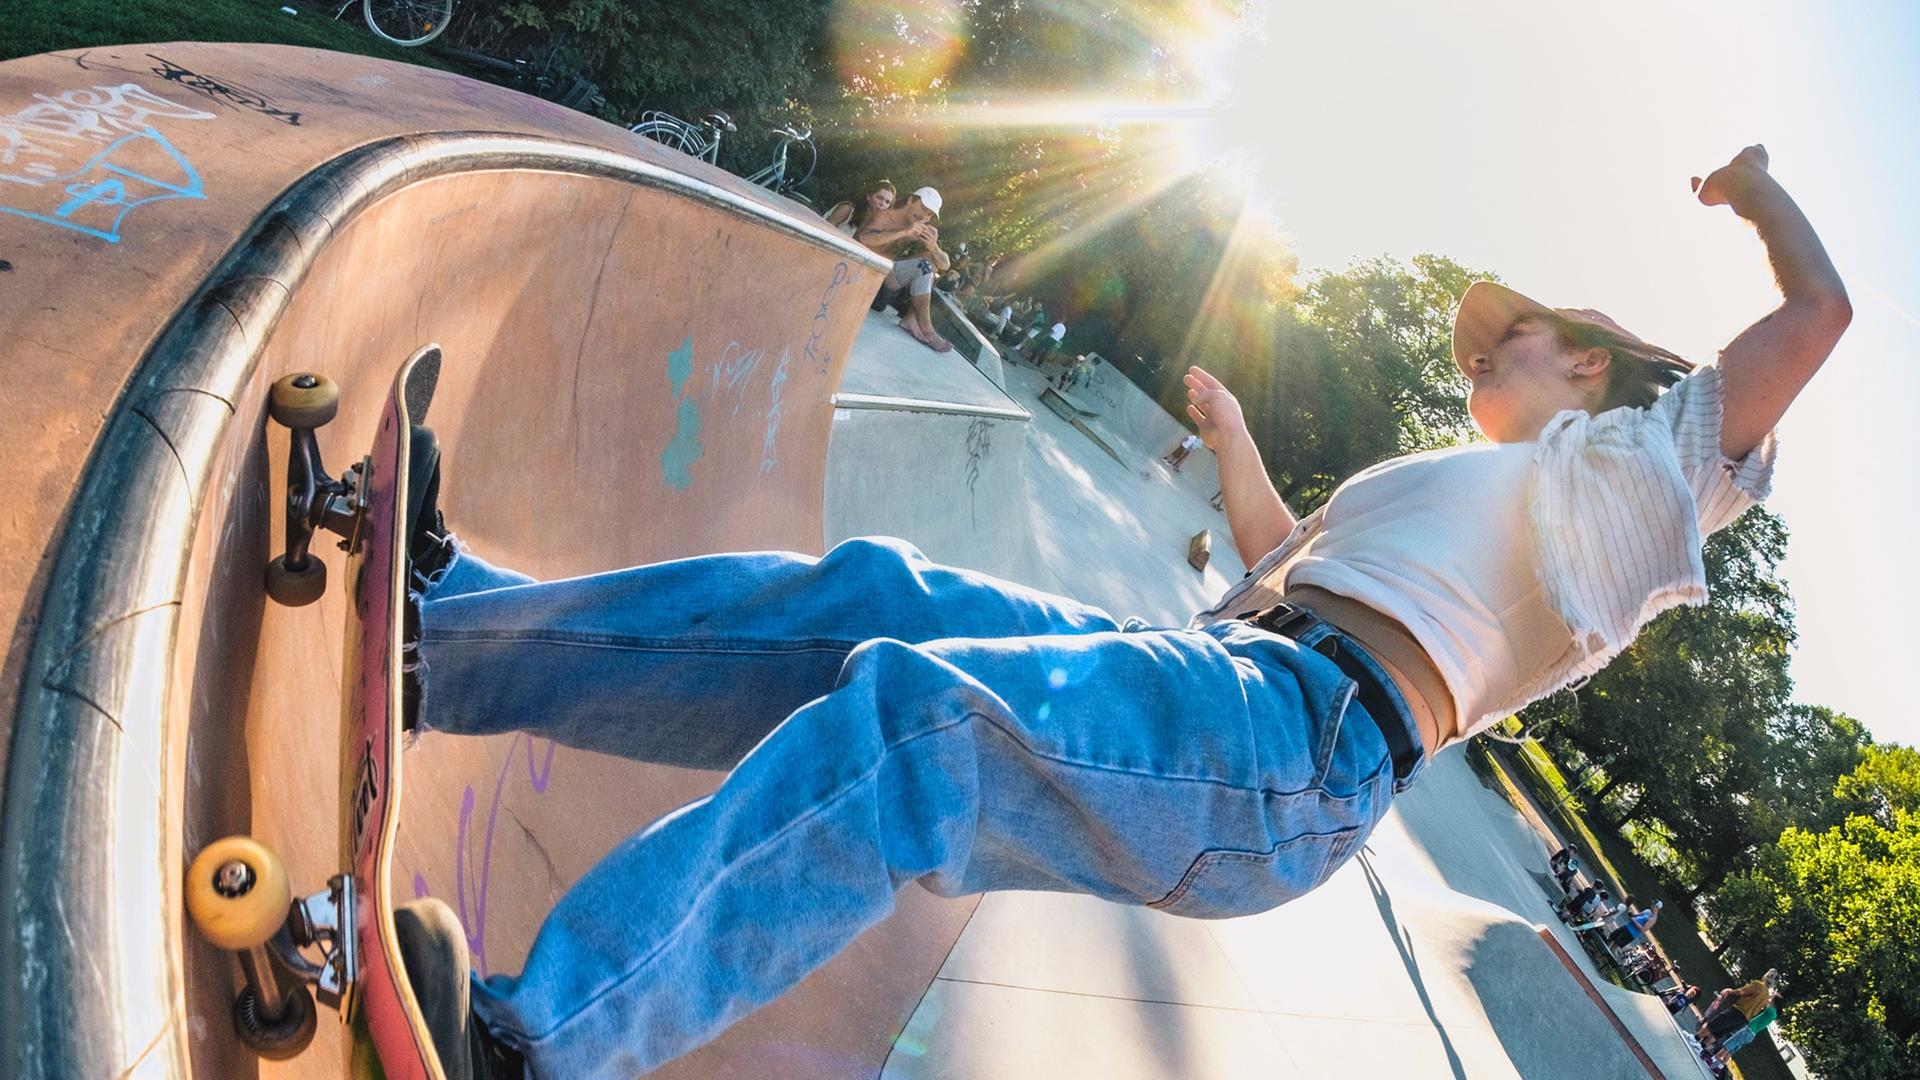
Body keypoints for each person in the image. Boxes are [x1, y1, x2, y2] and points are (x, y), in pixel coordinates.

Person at [394, 145, 1848, 1078]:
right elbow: (1281, 560)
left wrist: (1757, 190)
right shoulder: (1463, 487)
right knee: (875, 598)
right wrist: (1231, 438)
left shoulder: (1628, 485)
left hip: (1295, 746)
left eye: (1510, 340)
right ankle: (447, 640)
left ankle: (542, 1042)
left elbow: (1815, 318)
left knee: (922, 729)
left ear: (1587, 366)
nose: (1481, 357)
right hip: (1237, 666)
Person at [855, 186, 954, 352]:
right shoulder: (884, 215)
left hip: (887, 287)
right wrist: (904, 232)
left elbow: (945, 265)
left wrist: (934, 247)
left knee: (930, 261)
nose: (924, 216)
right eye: (923, 208)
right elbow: (864, 239)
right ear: (910, 200)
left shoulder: (921, 229)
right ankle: (926, 329)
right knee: (923, 265)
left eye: (929, 214)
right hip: (866, 280)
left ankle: (911, 320)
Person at [822, 179, 895, 238]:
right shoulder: (847, 209)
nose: (882, 204)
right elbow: (823, 230)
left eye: (887, 202)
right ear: (869, 196)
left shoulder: (875, 225)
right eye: (879, 198)